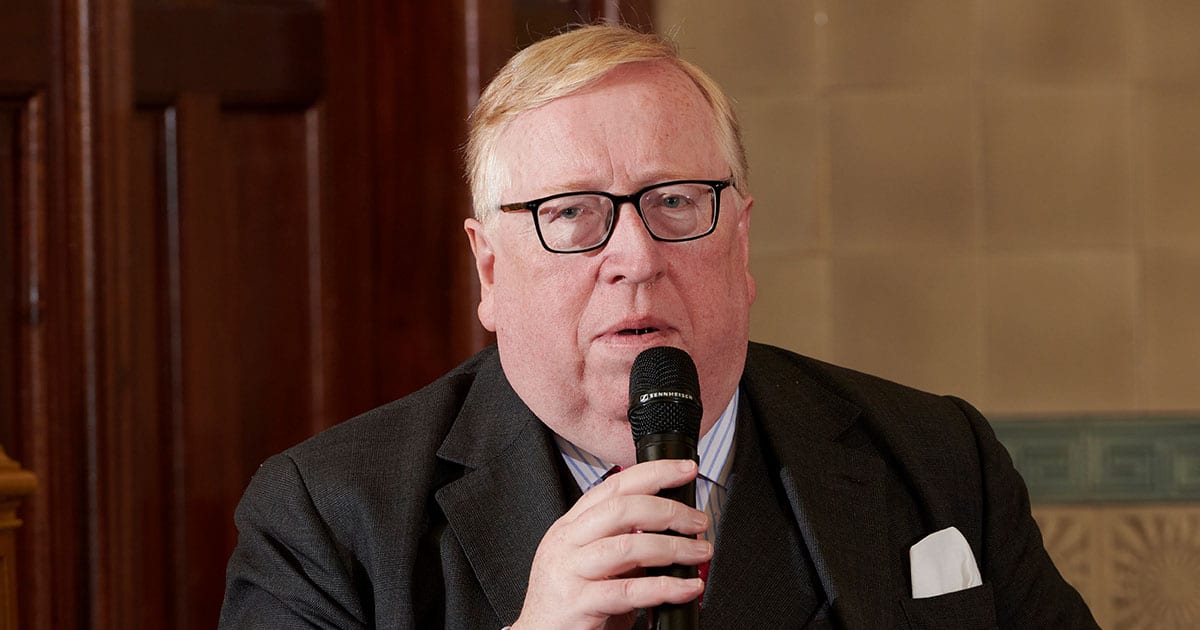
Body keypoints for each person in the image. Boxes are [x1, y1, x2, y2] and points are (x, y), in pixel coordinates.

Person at [219, 24, 1098, 629]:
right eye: (572, 213)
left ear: (740, 243)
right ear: (490, 270)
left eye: (675, 201)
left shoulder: (941, 459)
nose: (635, 256)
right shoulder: (328, 515)